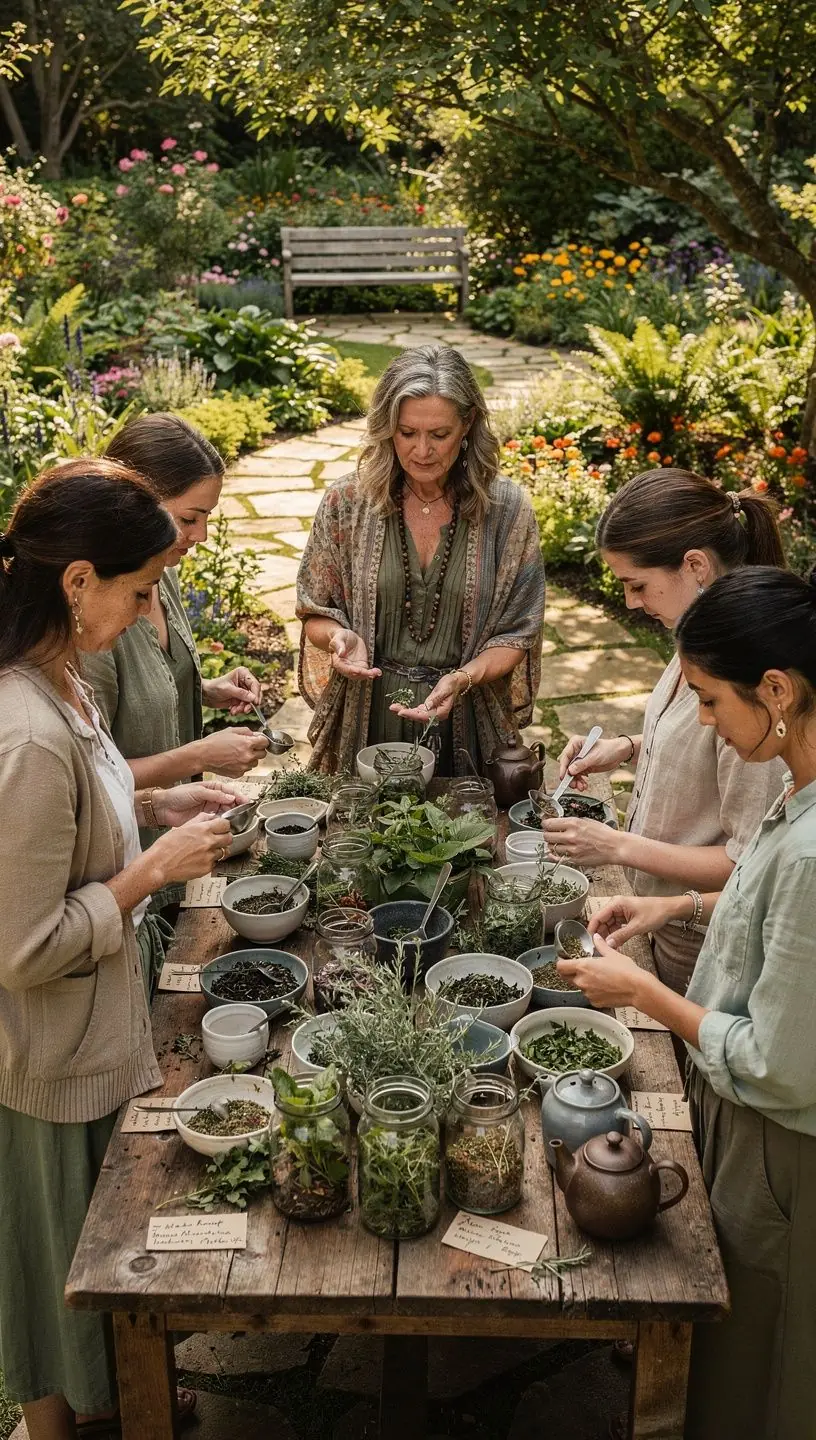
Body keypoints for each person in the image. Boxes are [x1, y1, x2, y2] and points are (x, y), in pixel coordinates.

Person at [0, 459, 239, 1440]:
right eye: (139, 591)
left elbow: (73, 832)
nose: (149, 612)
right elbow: (23, 948)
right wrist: (149, 873)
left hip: (93, 1031)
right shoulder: (25, 730)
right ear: (76, 580)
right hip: (47, 1057)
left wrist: (156, 806)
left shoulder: (61, 679)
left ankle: (115, 1402)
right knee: (51, 1274)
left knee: (82, 1260)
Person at [562, 567, 816, 1440]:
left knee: (757, 1365)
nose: (702, 720)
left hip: (780, 1151)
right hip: (751, 1124)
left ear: (776, 690)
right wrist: (678, 906)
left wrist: (644, 992)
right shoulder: (798, 783)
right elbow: (770, 919)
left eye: (709, 700)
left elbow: (777, 1065)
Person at [543, 468, 786, 991]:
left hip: (697, 945)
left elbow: (751, 862)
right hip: (654, 919)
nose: (631, 602)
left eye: (637, 585)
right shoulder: (698, 636)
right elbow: (698, 749)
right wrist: (626, 747)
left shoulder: (746, 684)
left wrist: (616, 846)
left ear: (695, 566)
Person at [296, 344, 546, 774]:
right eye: (407, 433)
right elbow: (315, 610)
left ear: (468, 424)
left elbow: (518, 633)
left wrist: (463, 678)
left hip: (466, 717)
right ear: (386, 428)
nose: (422, 451)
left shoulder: (506, 510)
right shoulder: (347, 502)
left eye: (439, 434)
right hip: (368, 718)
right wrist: (340, 637)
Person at [83, 413, 269, 907]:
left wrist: (204, 687)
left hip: (177, 836)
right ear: (135, 505)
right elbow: (91, 776)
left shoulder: (160, 574)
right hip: (126, 865)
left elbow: (147, 682)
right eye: (189, 518)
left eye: (207, 517)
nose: (202, 534)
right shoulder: (97, 616)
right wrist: (200, 755)